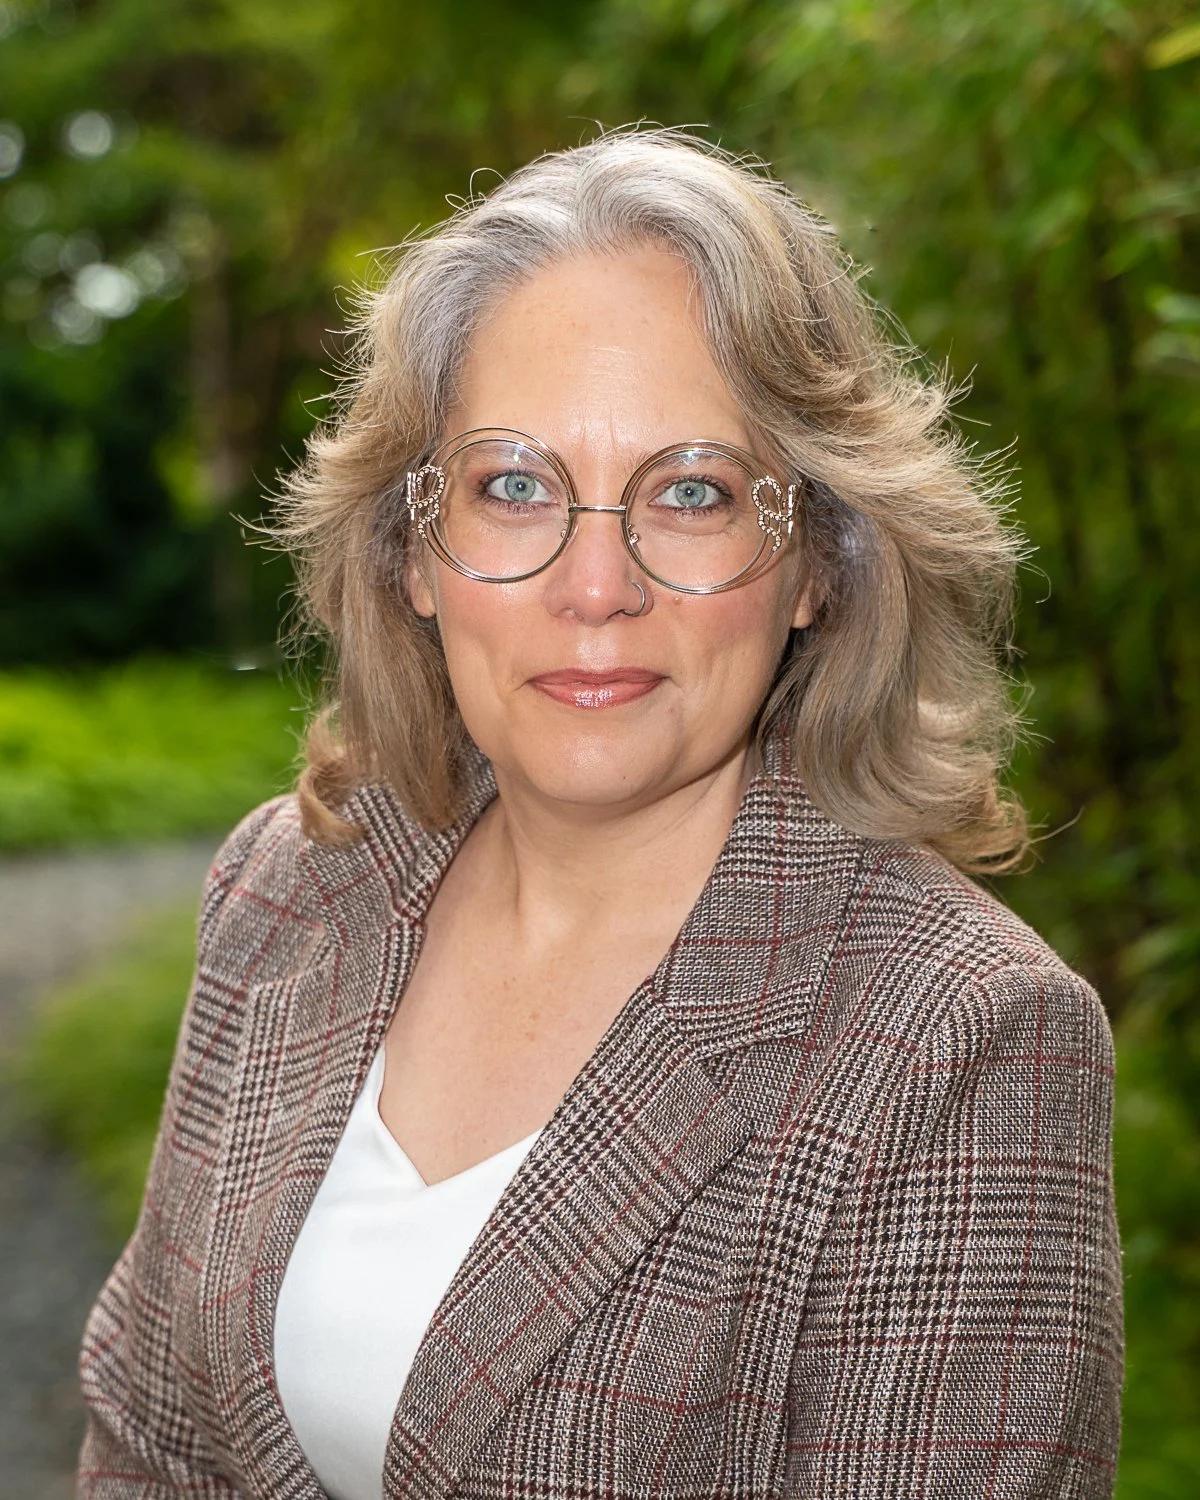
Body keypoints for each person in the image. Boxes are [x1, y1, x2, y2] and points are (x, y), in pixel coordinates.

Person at [77, 128, 1122, 1500]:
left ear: (816, 560)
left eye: (689, 493)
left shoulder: (960, 1041)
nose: (595, 586)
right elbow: (152, 1448)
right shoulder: (292, 886)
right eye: (514, 485)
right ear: (413, 551)